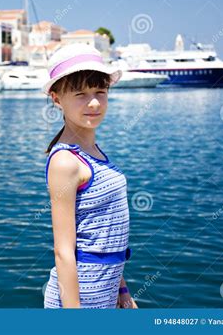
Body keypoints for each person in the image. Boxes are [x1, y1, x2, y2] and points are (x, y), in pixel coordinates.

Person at [43, 43, 138, 309]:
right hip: (80, 297)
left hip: (105, 292)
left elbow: (104, 233)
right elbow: (63, 252)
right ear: (57, 98)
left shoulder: (93, 151)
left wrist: (122, 288)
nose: (94, 102)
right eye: (80, 94)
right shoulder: (65, 161)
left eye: (100, 91)